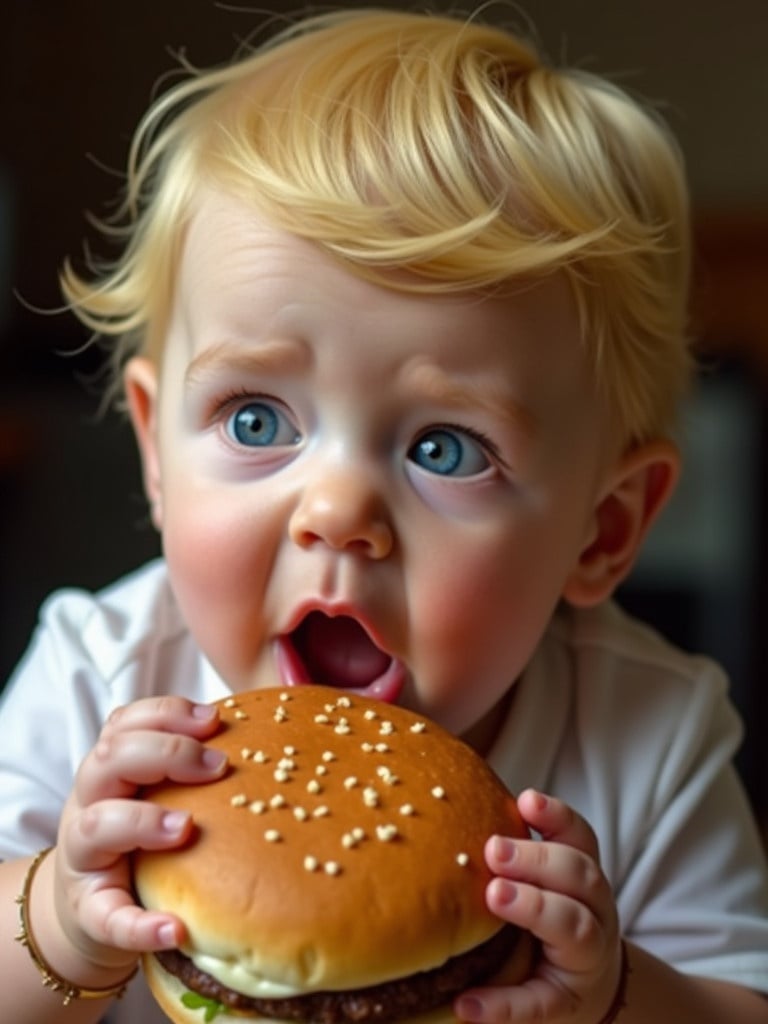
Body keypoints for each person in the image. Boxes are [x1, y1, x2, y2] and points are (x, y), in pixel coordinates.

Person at [1, 7, 767, 1024]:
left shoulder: (649, 734)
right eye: (257, 416)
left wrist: (622, 992)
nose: (338, 511)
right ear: (154, 448)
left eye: (444, 447)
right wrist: (58, 913)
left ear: (604, 530)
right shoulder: (102, 669)